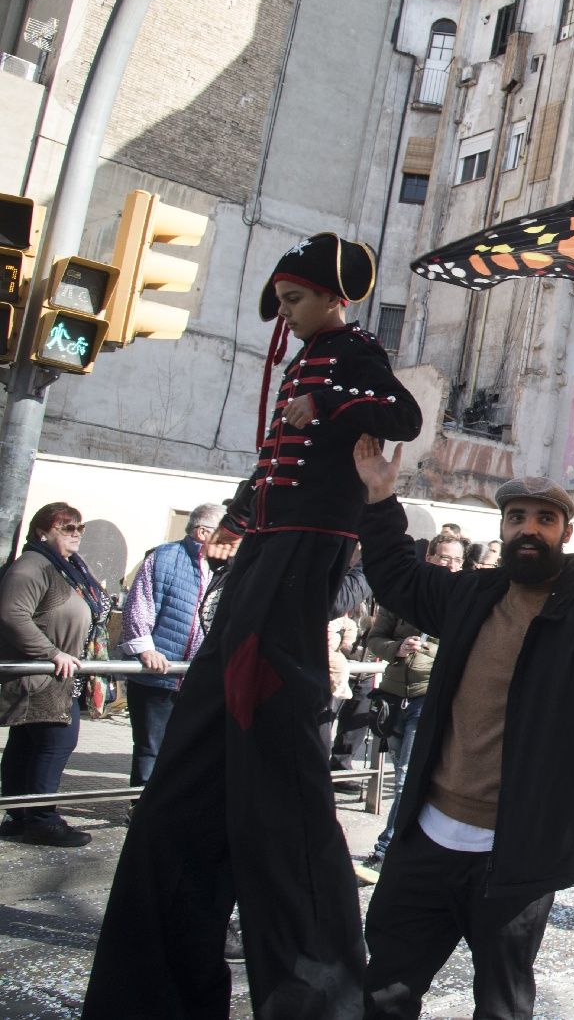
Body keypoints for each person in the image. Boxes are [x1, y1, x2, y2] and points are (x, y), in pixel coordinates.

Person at [85, 232, 421, 1020]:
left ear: (335, 297)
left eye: (298, 300)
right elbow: (276, 459)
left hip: (306, 558)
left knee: (267, 733)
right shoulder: (309, 354)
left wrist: (333, 404)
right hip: (270, 553)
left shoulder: (352, 354)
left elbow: (401, 413)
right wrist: (240, 514)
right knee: (213, 744)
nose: (288, 315)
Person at [350, 442, 574, 1020]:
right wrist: (382, 497)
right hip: (426, 840)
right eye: (517, 518)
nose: (529, 529)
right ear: (502, 529)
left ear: (566, 533)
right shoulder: (473, 596)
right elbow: (398, 579)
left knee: (502, 1006)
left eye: (545, 519)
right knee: (383, 991)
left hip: (512, 858)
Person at [0, 503, 106, 848]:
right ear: (43, 532)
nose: (76, 533)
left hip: (56, 674)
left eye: (80, 527)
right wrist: (51, 652)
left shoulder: (63, 567)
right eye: (67, 527)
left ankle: (19, 814)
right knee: (55, 744)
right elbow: (12, 614)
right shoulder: (33, 566)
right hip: (44, 674)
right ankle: (42, 820)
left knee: (28, 745)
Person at [362, 533, 463, 868]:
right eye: (445, 558)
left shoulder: (465, 598)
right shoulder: (405, 594)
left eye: (457, 560)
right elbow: (375, 637)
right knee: (401, 773)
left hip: (428, 697)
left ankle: (387, 848)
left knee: (406, 776)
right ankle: (409, 845)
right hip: (393, 697)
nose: (451, 565)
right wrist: (397, 649)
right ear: (430, 558)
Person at [112, 503, 223, 788]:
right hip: (157, 677)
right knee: (150, 748)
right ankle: (141, 810)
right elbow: (140, 605)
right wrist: (146, 649)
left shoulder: (227, 569)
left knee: (186, 752)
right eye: (225, 531)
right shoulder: (164, 557)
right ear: (202, 532)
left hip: (197, 679)